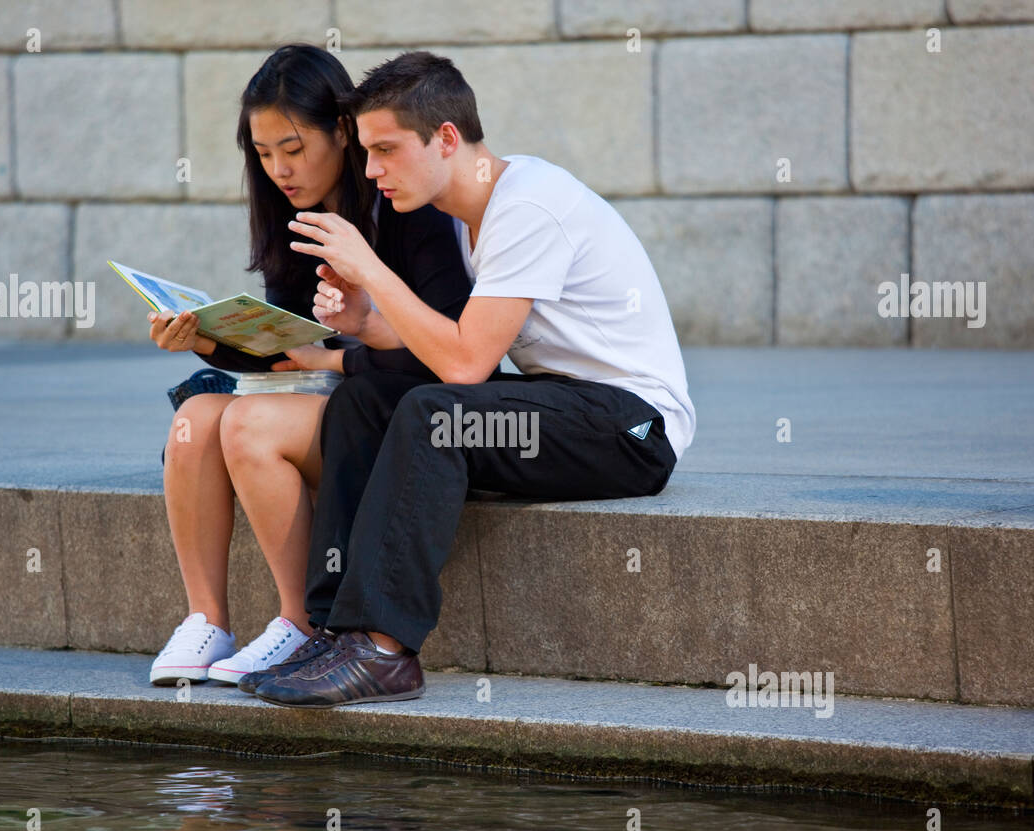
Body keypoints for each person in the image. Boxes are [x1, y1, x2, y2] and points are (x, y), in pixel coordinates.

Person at [247, 51, 696, 708]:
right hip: (562, 403)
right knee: (367, 401)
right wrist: (367, 323)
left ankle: (384, 651)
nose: (370, 170)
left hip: (631, 428)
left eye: (387, 150)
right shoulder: (468, 216)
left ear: (447, 139)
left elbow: (464, 366)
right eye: (366, 151)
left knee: (439, 415)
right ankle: (334, 628)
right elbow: (452, 340)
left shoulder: (528, 205)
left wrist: (370, 268)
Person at [146, 45, 471, 686]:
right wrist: (204, 340)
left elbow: (452, 354)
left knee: (248, 426)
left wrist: (345, 350)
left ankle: (301, 623)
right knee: (196, 418)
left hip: (390, 410)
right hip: (319, 394)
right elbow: (287, 345)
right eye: (263, 155)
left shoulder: (408, 206)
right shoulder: (297, 217)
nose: (279, 170)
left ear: (342, 130)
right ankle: (206, 619)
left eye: (292, 149)